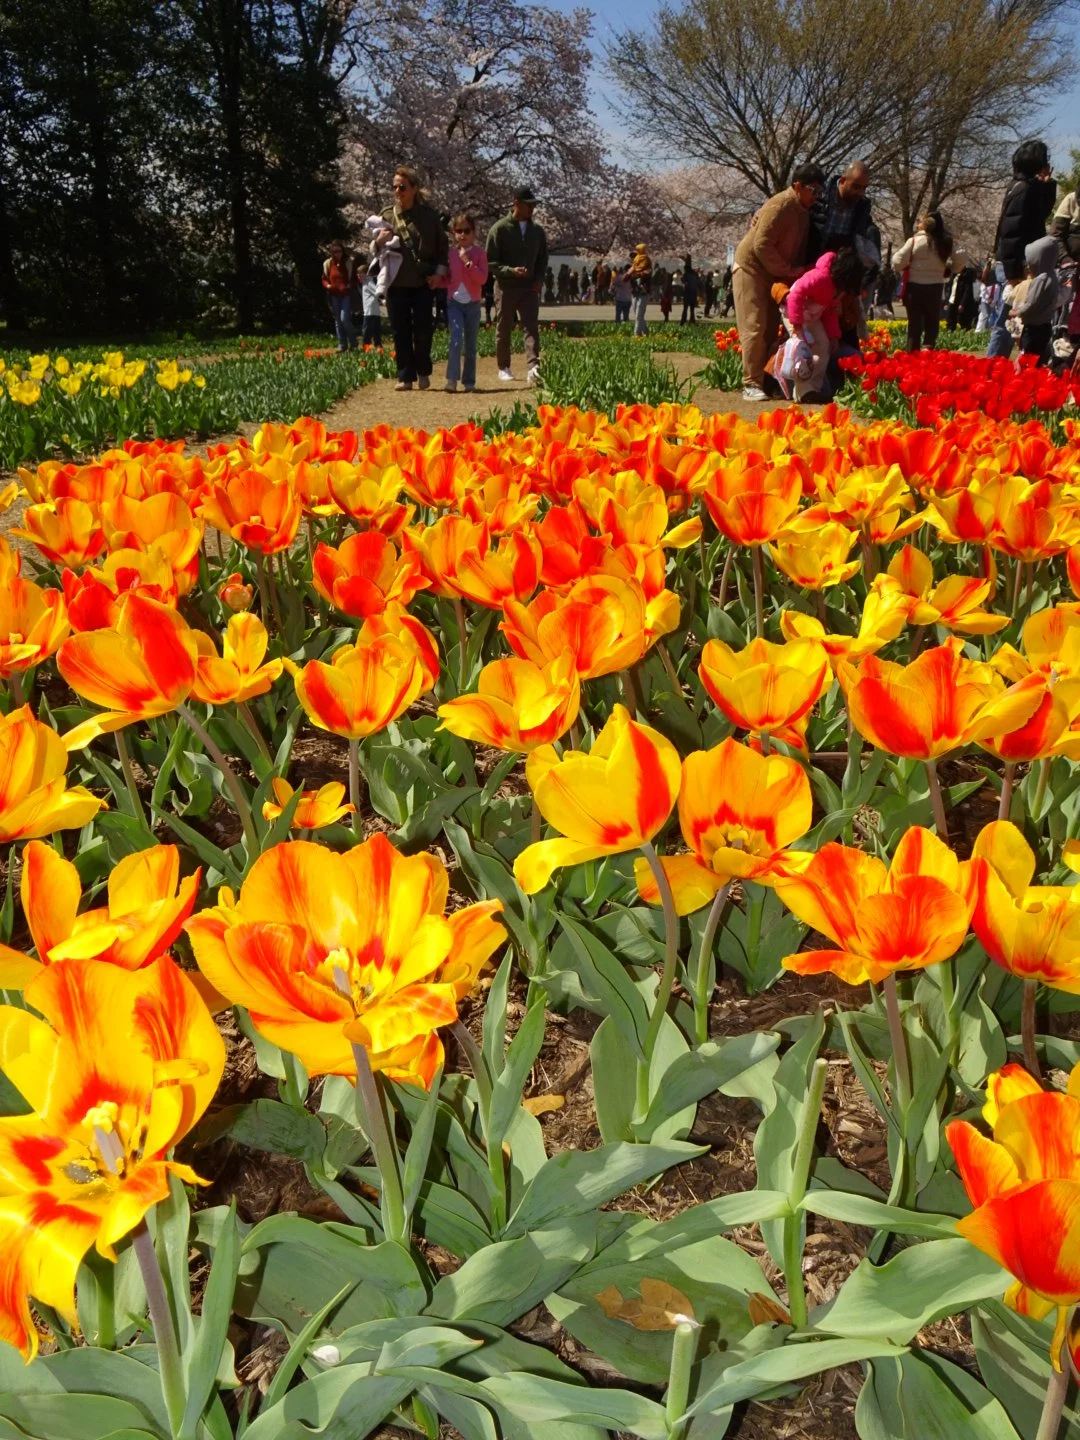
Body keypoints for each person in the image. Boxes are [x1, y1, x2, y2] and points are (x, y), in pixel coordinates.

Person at [732, 161, 824, 401]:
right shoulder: (780, 204)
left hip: (774, 274)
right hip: (750, 268)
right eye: (813, 190)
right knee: (755, 326)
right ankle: (750, 383)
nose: (816, 196)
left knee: (773, 329)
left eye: (819, 191)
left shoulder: (803, 212)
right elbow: (760, 245)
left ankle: (765, 380)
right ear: (797, 186)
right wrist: (789, 270)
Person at [375, 165, 448, 392]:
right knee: (400, 331)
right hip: (397, 284)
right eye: (395, 187)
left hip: (423, 282)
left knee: (424, 330)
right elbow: (374, 251)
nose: (398, 191)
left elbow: (442, 248)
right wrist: (378, 241)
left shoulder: (429, 216)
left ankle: (423, 370)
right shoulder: (387, 216)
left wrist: (439, 274)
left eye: (403, 187)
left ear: (414, 188)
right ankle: (405, 376)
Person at [986, 139, 1057, 359]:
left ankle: (999, 362)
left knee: (1014, 317)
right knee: (1010, 317)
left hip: (1017, 261)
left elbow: (1039, 215)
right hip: (1014, 262)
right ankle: (992, 363)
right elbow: (1011, 233)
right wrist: (1013, 273)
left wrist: (1047, 184)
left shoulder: (1023, 186)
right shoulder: (1024, 189)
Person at [486, 185, 548, 384]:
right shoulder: (499, 229)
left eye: (534, 205)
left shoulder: (537, 231)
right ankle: (503, 366)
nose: (532, 209)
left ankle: (533, 366)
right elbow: (491, 262)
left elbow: (542, 258)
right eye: (528, 205)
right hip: (505, 287)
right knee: (504, 327)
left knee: (531, 327)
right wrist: (510, 271)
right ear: (516, 204)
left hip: (529, 287)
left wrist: (539, 279)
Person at [785, 248, 864, 402]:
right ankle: (800, 391)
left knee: (823, 346)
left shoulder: (838, 289)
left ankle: (811, 389)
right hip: (794, 313)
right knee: (802, 349)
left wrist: (834, 336)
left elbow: (830, 313)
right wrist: (797, 324)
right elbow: (795, 295)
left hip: (814, 317)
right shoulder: (819, 277)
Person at [892, 211, 974, 351]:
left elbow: (897, 261)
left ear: (924, 224)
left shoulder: (914, 241)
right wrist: (952, 267)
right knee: (932, 323)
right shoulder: (945, 242)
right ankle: (927, 351)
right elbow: (961, 258)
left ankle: (912, 354)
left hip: (914, 287)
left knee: (914, 324)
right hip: (935, 288)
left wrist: (905, 267)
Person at [433, 212, 489, 393]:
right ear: (453, 233)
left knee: (471, 344)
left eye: (467, 231)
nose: (462, 235)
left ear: (474, 233)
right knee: (455, 339)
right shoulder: (450, 254)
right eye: (459, 231)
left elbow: (482, 279)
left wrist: (468, 263)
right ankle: (451, 379)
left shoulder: (480, 254)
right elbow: (447, 278)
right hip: (454, 302)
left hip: (473, 304)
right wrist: (435, 281)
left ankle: (469, 381)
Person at [1011, 235, 1062, 363]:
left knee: (1028, 358)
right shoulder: (1053, 277)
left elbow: (1031, 303)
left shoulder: (1040, 280)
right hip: (1045, 326)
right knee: (1040, 358)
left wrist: (1017, 312)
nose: (1028, 265)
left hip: (1033, 327)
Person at [810, 161, 874, 259]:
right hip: (808, 264)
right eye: (856, 187)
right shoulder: (819, 194)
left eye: (864, 188)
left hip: (837, 267)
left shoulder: (862, 207)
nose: (861, 193)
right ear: (843, 181)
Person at [321, 240, 359, 352]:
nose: (337, 254)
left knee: (344, 319)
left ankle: (354, 343)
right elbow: (324, 279)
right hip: (334, 295)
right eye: (335, 251)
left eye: (339, 251)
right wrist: (328, 286)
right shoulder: (327, 264)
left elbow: (355, 279)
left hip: (345, 295)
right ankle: (342, 344)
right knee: (338, 321)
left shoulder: (348, 263)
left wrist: (348, 286)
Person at [358, 259, 383, 347]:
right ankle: (378, 345)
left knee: (367, 329)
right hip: (372, 310)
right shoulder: (366, 282)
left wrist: (382, 299)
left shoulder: (368, 282)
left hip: (370, 310)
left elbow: (376, 291)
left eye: (361, 274)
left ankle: (366, 345)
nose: (359, 276)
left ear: (366, 273)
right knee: (375, 329)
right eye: (358, 274)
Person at [630, 245, 653, 337]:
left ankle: (637, 333)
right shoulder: (633, 269)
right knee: (637, 314)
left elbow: (647, 274)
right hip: (635, 293)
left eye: (634, 256)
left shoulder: (647, 268)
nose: (633, 259)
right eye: (632, 257)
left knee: (639, 315)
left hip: (643, 293)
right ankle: (645, 331)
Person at [679, 257, 699, 323]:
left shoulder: (686, 274)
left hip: (687, 293)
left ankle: (683, 320)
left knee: (685, 308)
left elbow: (682, 280)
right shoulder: (695, 274)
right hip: (694, 293)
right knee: (692, 308)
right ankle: (692, 320)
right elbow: (698, 282)